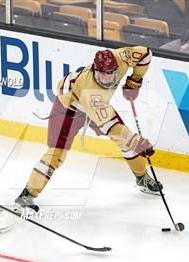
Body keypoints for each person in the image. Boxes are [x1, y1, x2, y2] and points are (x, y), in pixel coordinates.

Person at [15, 47, 162, 212]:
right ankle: (27, 194)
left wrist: (134, 80)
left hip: (96, 106)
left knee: (126, 141)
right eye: (103, 74)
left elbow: (145, 54)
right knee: (56, 153)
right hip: (68, 107)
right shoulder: (91, 92)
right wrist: (138, 142)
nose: (107, 79)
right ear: (95, 69)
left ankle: (142, 178)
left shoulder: (120, 57)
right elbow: (112, 128)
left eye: (111, 74)